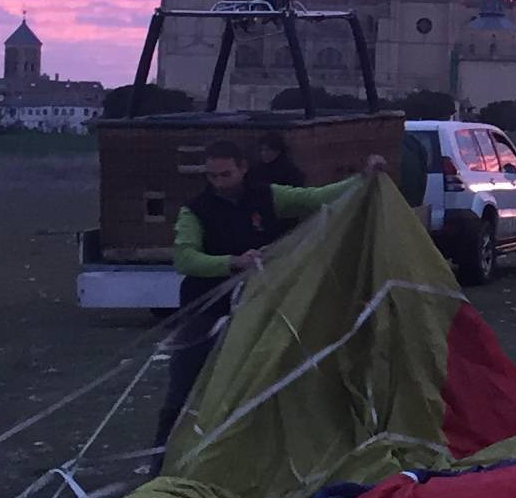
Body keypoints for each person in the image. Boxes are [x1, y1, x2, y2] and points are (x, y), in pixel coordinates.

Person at [155, 142, 390, 444]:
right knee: (184, 389)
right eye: (211, 176)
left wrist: (362, 179)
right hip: (205, 312)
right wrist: (232, 263)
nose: (218, 182)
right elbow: (185, 258)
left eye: (225, 174)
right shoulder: (196, 210)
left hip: (256, 311)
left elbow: (314, 199)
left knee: (257, 385)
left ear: (242, 168)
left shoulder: (267, 196)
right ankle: (162, 460)